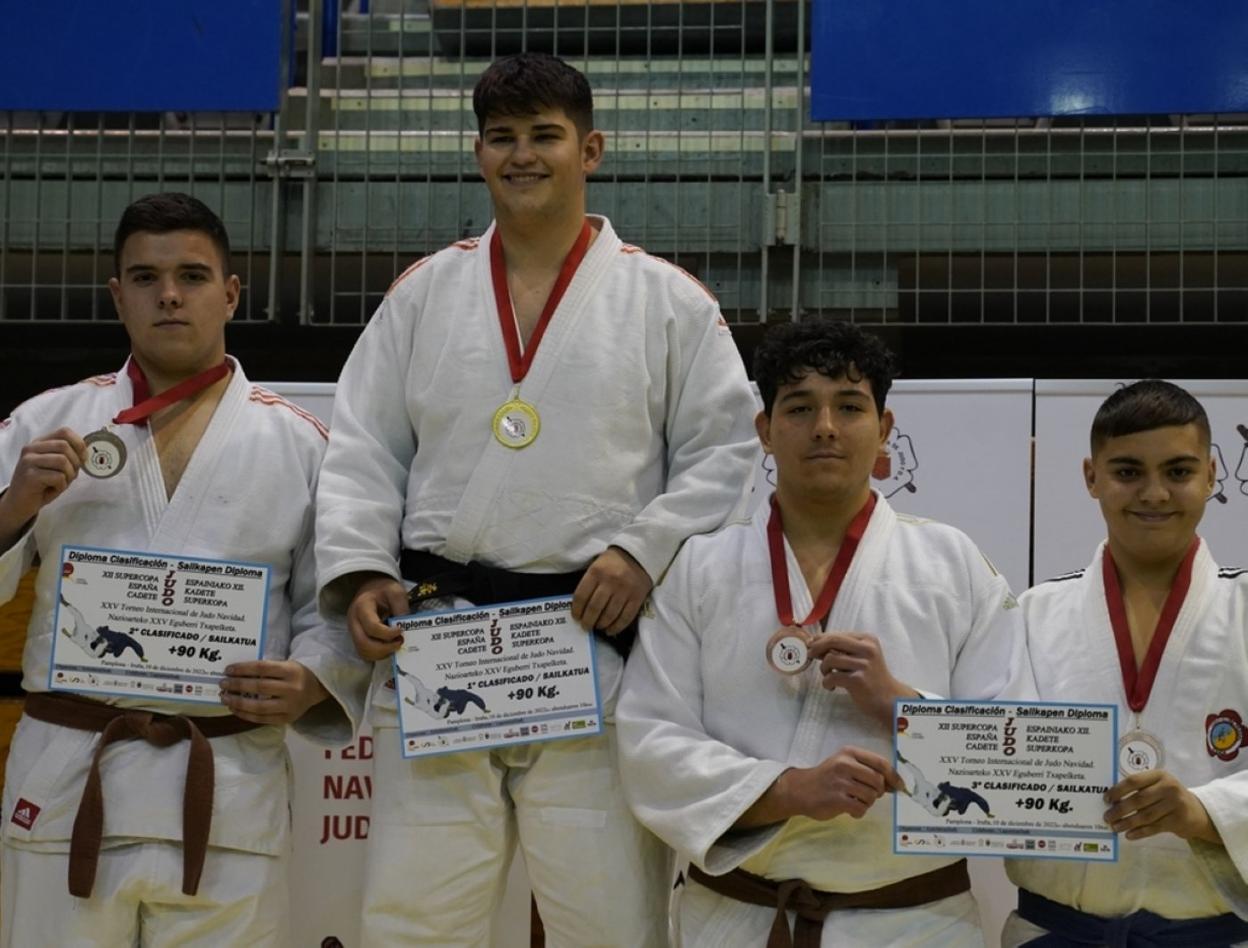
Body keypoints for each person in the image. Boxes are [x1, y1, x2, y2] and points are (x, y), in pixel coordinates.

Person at [314, 52, 759, 947]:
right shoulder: (423, 294)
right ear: (478, 153)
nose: (524, 156)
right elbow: (363, 448)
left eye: (546, 136)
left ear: (590, 149)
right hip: (440, 644)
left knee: (610, 918)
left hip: (589, 647)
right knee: (415, 916)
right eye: (503, 138)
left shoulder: (665, 301)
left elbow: (724, 450)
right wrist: (361, 572)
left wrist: (644, 550)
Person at [0, 192, 367, 946]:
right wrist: (12, 509)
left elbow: (331, 607)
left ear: (231, 293)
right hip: (71, 781)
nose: (169, 294)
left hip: (227, 786)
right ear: (117, 294)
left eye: (193, 276)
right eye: (145, 277)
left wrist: (311, 680)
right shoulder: (45, 424)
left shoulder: (300, 446)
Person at [616, 319, 1034, 948]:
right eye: (800, 407)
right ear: (765, 431)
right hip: (739, 918)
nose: (826, 427)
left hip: (916, 924)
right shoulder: (700, 567)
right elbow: (652, 740)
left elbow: (1018, 750)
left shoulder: (952, 563)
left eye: (850, 406)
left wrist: (901, 707)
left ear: (886, 428)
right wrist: (788, 790)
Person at [1003, 380, 1248, 946]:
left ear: (1212, 474)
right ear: (1092, 476)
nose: (1155, 493)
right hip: (1057, 931)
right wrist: (904, 707)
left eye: (1179, 472)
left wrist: (1202, 812)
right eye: (1128, 472)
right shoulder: (1034, 615)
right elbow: (993, 758)